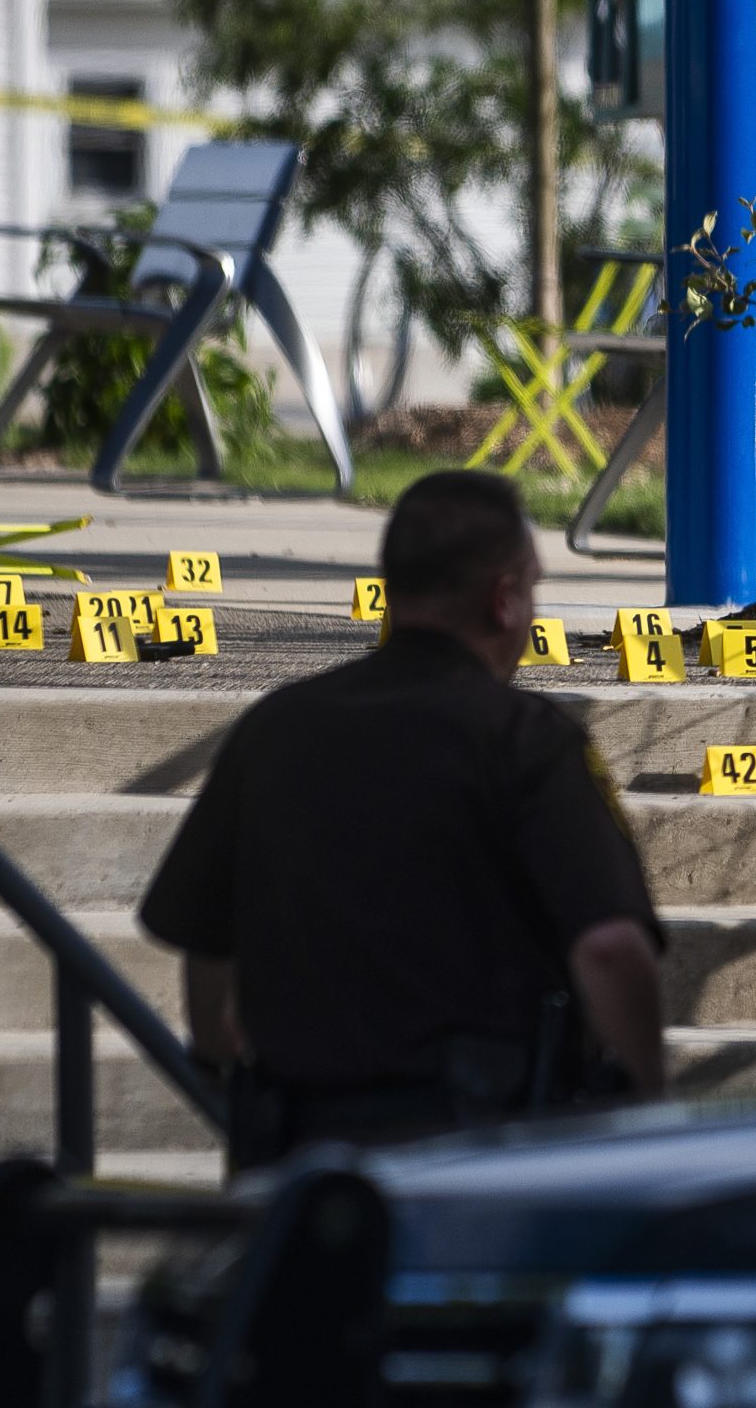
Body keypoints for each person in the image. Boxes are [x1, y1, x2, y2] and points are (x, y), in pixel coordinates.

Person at [140, 470, 667, 1167]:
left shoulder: (276, 728)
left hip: (301, 1161)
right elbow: (608, 949)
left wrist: (216, 1068)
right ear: (505, 600)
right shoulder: (526, 740)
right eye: (534, 589)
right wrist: (653, 1119)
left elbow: (207, 948)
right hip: (479, 1159)